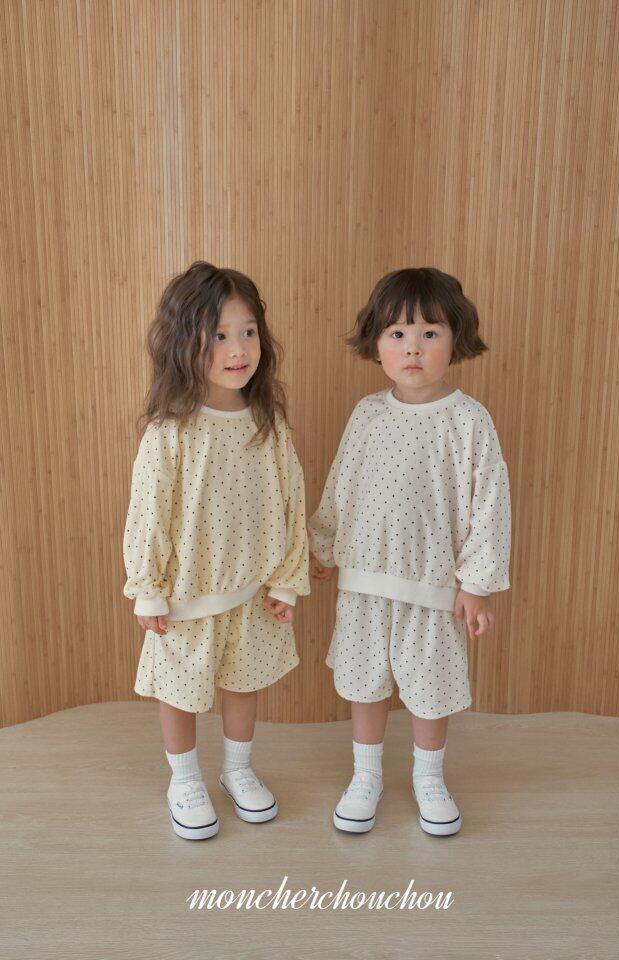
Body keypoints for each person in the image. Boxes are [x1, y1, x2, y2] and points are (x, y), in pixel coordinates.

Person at [308, 267, 511, 836]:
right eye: (397, 333)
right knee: (364, 682)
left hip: (433, 587)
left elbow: (490, 503)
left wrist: (477, 584)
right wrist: (320, 546)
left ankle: (429, 778)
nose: (413, 347)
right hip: (364, 582)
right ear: (377, 343)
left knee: (430, 690)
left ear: (455, 339)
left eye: (429, 332)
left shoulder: (468, 421)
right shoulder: (368, 413)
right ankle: (366, 776)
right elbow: (341, 484)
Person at [123, 261, 309, 840]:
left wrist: (287, 580)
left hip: (251, 592)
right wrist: (148, 588)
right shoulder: (171, 430)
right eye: (220, 335)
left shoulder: (268, 423)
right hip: (187, 597)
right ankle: (184, 779)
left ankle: (237, 769)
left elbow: (291, 500)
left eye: (248, 332)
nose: (238, 349)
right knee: (181, 692)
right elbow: (149, 512)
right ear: (187, 343)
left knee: (243, 684)